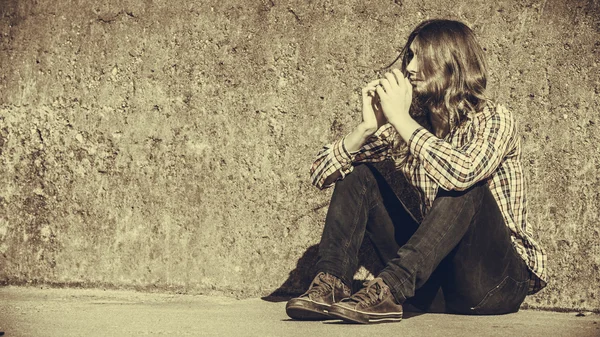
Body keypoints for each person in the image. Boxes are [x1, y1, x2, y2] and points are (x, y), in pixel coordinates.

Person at [285, 19, 547, 324]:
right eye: (409, 56)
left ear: (452, 64)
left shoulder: (494, 120)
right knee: (358, 174)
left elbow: (461, 173)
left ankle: (390, 287)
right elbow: (320, 175)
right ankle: (331, 285)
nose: (410, 67)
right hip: (436, 285)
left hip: (496, 284)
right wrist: (367, 128)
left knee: (465, 185)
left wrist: (399, 118)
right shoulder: (411, 125)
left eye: (422, 57)